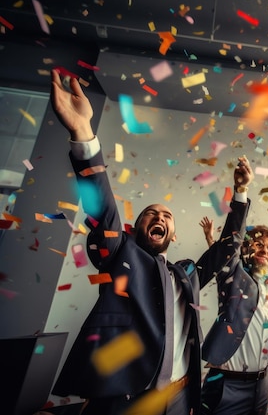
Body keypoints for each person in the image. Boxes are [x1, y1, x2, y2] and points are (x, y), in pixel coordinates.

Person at [49, 69, 214, 414]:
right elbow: (103, 208)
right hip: (125, 399)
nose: (159, 218)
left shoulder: (186, 274)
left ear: (173, 234)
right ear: (134, 227)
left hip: (181, 397)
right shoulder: (120, 252)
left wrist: (240, 194)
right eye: (150, 214)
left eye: (167, 217)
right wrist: (82, 133)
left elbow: (226, 249)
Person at [199, 157, 268, 415]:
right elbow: (227, 245)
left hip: (261, 383)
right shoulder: (233, 273)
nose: (263, 250)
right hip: (224, 382)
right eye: (257, 244)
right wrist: (241, 191)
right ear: (246, 248)